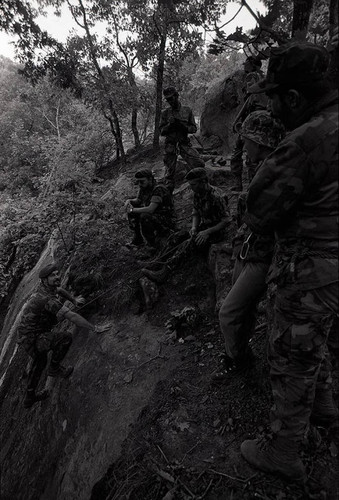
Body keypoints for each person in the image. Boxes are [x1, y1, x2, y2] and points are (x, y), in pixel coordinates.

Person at [238, 42, 338, 482]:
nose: (273, 108)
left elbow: (258, 212)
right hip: (333, 269)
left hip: (311, 268)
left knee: (292, 356)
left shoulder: (305, 140)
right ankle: (325, 407)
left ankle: (283, 451)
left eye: (275, 98)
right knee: (317, 338)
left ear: (294, 98)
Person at [215, 111, 285, 381]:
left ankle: (239, 360)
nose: (244, 147)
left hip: (262, 256)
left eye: (247, 141)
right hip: (248, 249)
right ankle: (239, 353)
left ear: (262, 141)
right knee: (241, 312)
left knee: (228, 313)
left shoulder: (278, 172)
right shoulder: (261, 168)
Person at [17, 264, 109, 408]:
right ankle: (54, 369)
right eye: (53, 275)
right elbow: (71, 316)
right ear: (44, 280)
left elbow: (59, 290)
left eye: (57, 274)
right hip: (31, 337)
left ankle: (29, 398)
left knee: (39, 363)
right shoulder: (46, 299)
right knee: (64, 338)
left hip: (31, 332)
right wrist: (94, 328)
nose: (57, 276)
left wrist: (73, 300)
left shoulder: (48, 289)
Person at [141, 167, 231, 283]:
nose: (191, 188)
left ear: (203, 182)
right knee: (177, 237)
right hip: (204, 228)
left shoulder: (216, 196)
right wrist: (194, 227)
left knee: (188, 244)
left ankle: (165, 272)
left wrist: (206, 232)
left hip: (216, 232)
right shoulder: (198, 193)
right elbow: (196, 212)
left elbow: (226, 220)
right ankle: (157, 263)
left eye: (193, 184)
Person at [230, 56, 268, 192]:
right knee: (247, 155)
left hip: (253, 121)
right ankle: (248, 184)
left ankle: (248, 185)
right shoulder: (265, 78)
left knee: (245, 155)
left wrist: (239, 121)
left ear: (252, 64)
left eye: (246, 63)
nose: (244, 66)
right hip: (252, 120)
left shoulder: (254, 77)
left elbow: (252, 101)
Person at [160, 86, 205, 192]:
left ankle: (200, 190)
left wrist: (183, 126)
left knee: (198, 164)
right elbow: (161, 131)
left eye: (171, 98)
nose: (169, 101)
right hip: (170, 145)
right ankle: (169, 199)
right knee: (169, 175)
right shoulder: (165, 113)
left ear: (176, 96)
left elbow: (193, 128)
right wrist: (169, 125)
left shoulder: (187, 110)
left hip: (184, 143)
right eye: (167, 100)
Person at [126, 169, 175, 249]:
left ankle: (151, 245)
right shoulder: (145, 187)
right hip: (156, 214)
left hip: (166, 218)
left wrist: (132, 209)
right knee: (134, 213)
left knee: (144, 216)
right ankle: (138, 240)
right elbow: (139, 200)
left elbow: (150, 209)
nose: (140, 184)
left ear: (150, 179)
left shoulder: (158, 189)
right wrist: (130, 201)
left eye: (142, 181)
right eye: (138, 182)